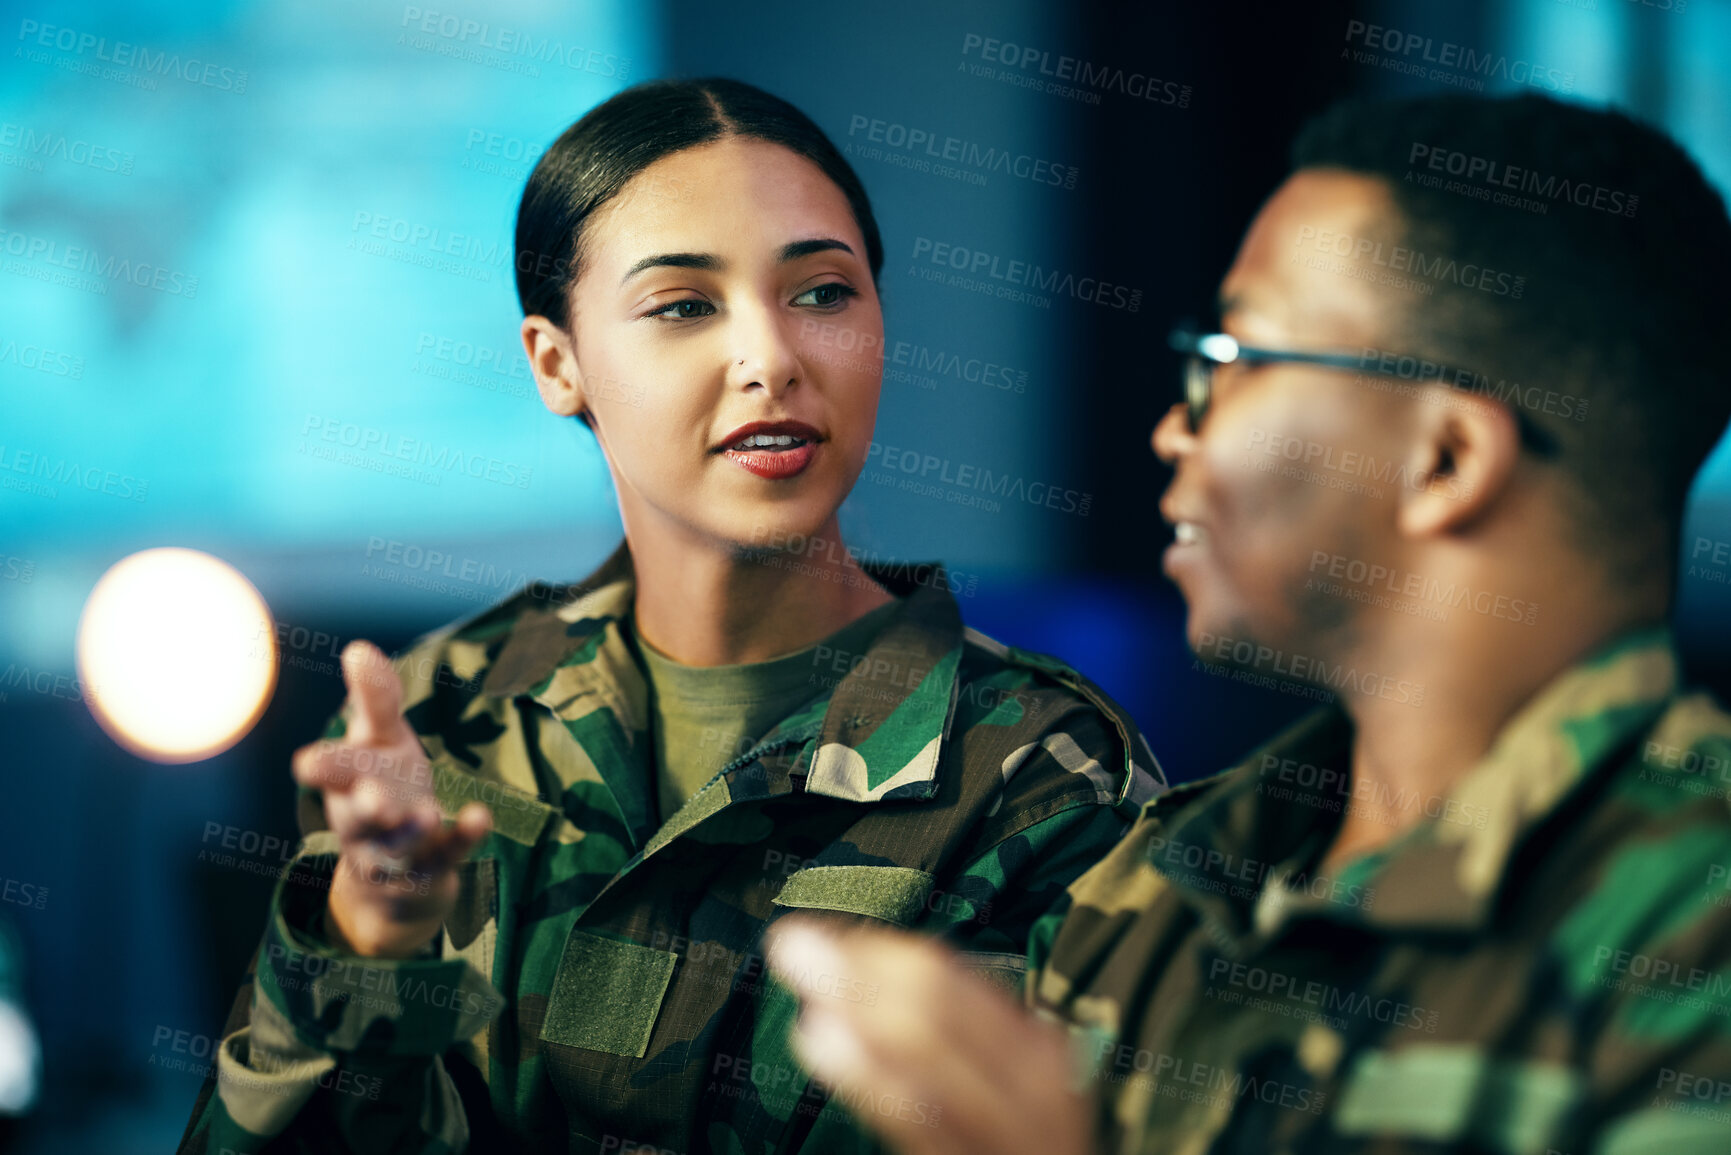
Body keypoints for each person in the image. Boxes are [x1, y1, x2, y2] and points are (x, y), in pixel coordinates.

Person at [175, 78, 1163, 1155]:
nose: (772, 358)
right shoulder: (437, 728)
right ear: (558, 364)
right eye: (685, 305)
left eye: (824, 293)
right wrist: (365, 950)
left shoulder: (1041, 778)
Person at [765, 92, 1731, 1154]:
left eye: (1232, 358)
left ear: (1444, 461)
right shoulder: (1169, 875)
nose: (1175, 428)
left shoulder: (1696, 927)